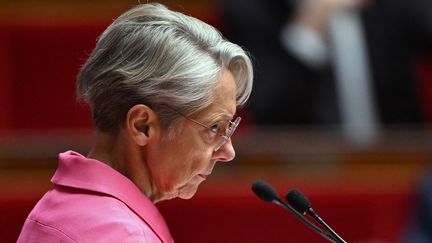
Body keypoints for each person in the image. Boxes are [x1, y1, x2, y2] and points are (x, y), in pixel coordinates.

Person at [17, 3, 253, 242]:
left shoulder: (65, 206)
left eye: (228, 128)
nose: (228, 152)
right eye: (214, 128)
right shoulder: (120, 235)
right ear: (142, 126)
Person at [220, 0, 432, 127]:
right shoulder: (250, 8)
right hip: (306, 169)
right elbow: (270, 107)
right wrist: (307, 32)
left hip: (398, 163)